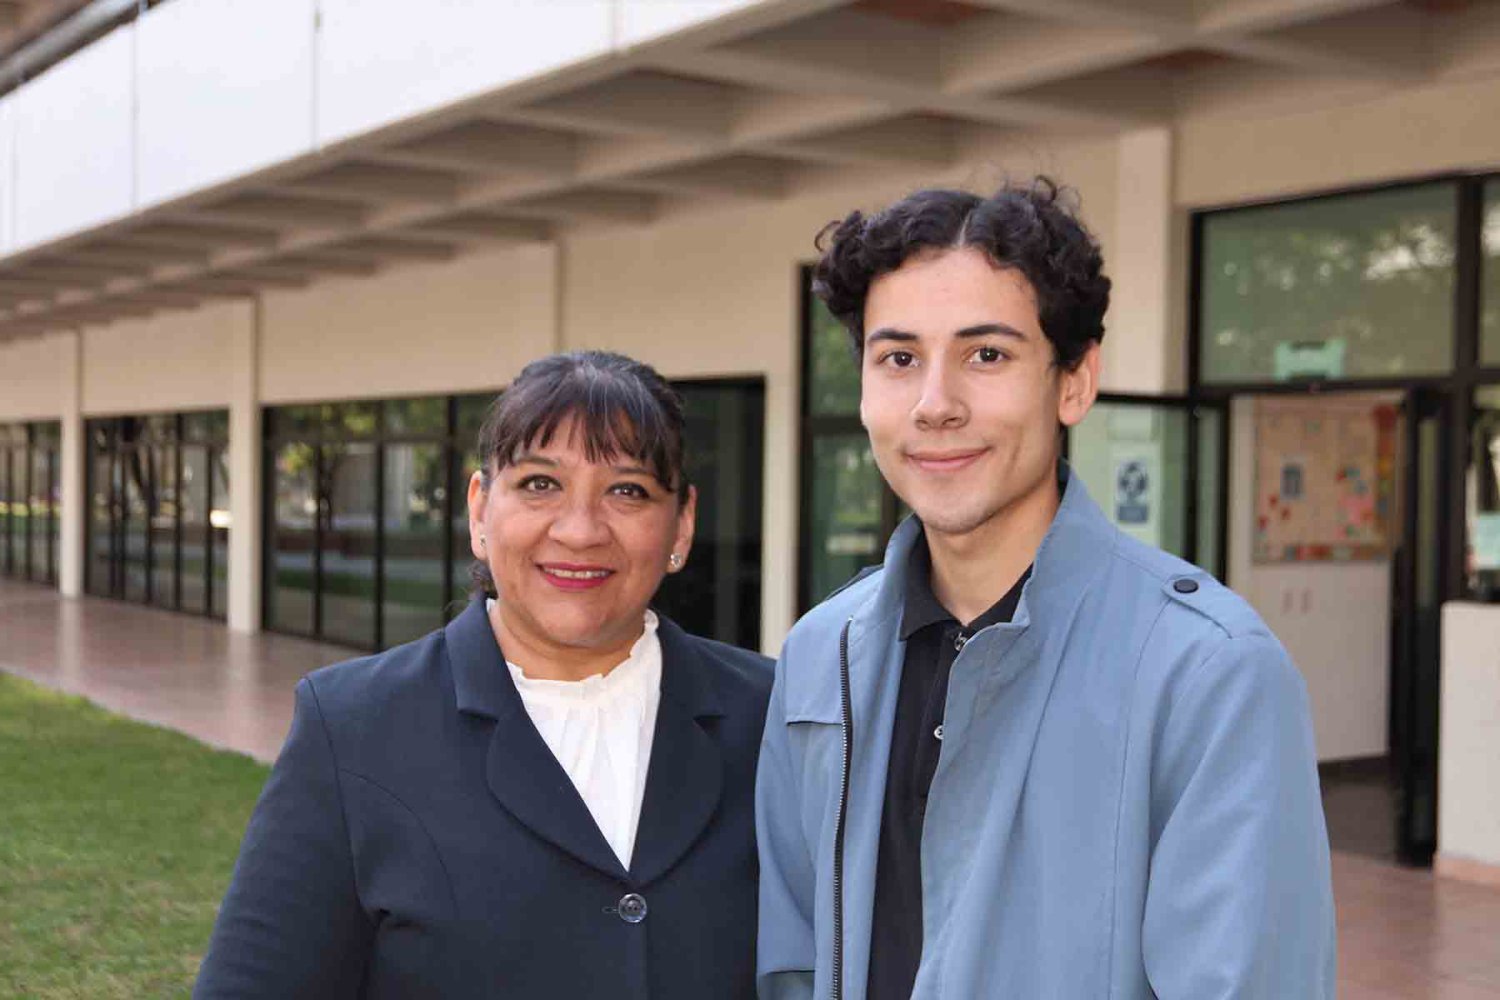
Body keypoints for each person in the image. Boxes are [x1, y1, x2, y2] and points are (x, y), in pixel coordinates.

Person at [756, 181, 1336, 999]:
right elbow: (793, 960)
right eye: (898, 359)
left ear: (1074, 381)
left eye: (986, 355)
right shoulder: (823, 654)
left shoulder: (1208, 674)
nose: (935, 405)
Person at [195, 351, 771, 999]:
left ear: (682, 525)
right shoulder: (353, 726)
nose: (580, 531)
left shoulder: (773, 715)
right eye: (539, 484)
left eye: (627, 490)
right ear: (478, 509)